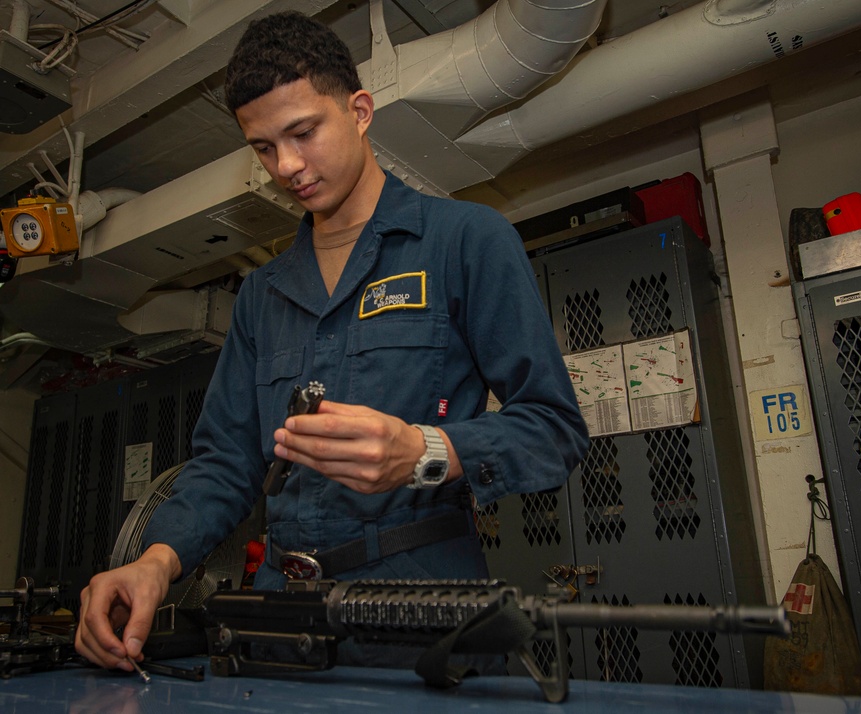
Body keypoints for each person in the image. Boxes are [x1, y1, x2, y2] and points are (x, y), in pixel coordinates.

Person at [75, 11, 588, 674]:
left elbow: (555, 429)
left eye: (303, 133)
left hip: (423, 613)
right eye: (263, 148)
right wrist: (156, 560)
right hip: (284, 621)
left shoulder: (466, 242)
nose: (286, 166)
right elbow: (228, 461)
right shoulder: (263, 296)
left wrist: (426, 452)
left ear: (361, 110)